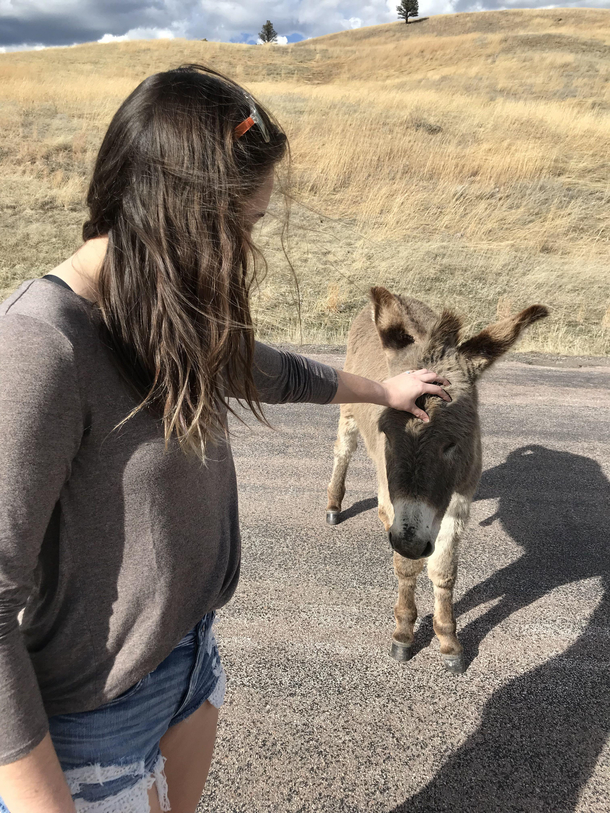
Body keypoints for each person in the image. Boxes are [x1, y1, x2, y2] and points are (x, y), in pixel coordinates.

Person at [0, 64, 451, 813]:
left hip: (189, 664)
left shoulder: (162, 310)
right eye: (240, 225)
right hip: (94, 720)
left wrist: (383, 389)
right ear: (175, 214)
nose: (245, 249)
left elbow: (265, 370)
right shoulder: (41, 347)